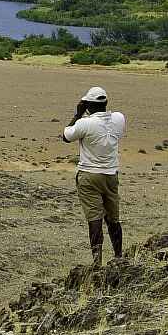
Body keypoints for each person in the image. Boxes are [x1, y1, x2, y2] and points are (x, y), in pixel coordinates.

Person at [61, 85, 127, 265]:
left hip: (89, 175)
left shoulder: (85, 123)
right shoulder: (119, 119)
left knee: (94, 219)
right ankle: (118, 255)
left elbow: (66, 136)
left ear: (88, 105)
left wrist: (78, 114)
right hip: (110, 174)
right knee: (113, 218)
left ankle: (97, 261)